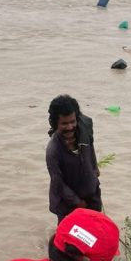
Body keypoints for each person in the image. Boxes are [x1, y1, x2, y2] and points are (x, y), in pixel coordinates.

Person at [45, 94, 102, 223]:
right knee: (69, 238)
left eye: (72, 121)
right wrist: (77, 202)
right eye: (64, 123)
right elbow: (57, 183)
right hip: (68, 204)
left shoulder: (85, 127)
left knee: (95, 233)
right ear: (55, 124)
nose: (70, 127)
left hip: (91, 195)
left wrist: (95, 168)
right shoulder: (53, 151)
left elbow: (91, 144)